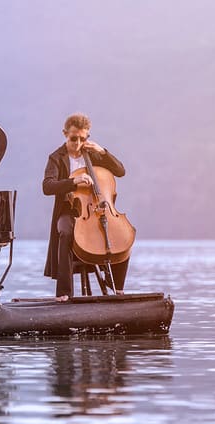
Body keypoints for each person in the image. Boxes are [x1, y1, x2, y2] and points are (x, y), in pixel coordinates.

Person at [42, 113, 129, 302]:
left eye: (83, 138)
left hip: (98, 209)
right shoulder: (56, 158)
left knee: (123, 234)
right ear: (65, 134)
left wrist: (104, 152)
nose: (78, 143)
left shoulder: (93, 154)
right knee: (65, 232)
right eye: (74, 138)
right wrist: (74, 181)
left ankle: (118, 287)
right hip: (69, 211)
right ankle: (64, 293)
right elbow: (47, 186)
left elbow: (120, 171)